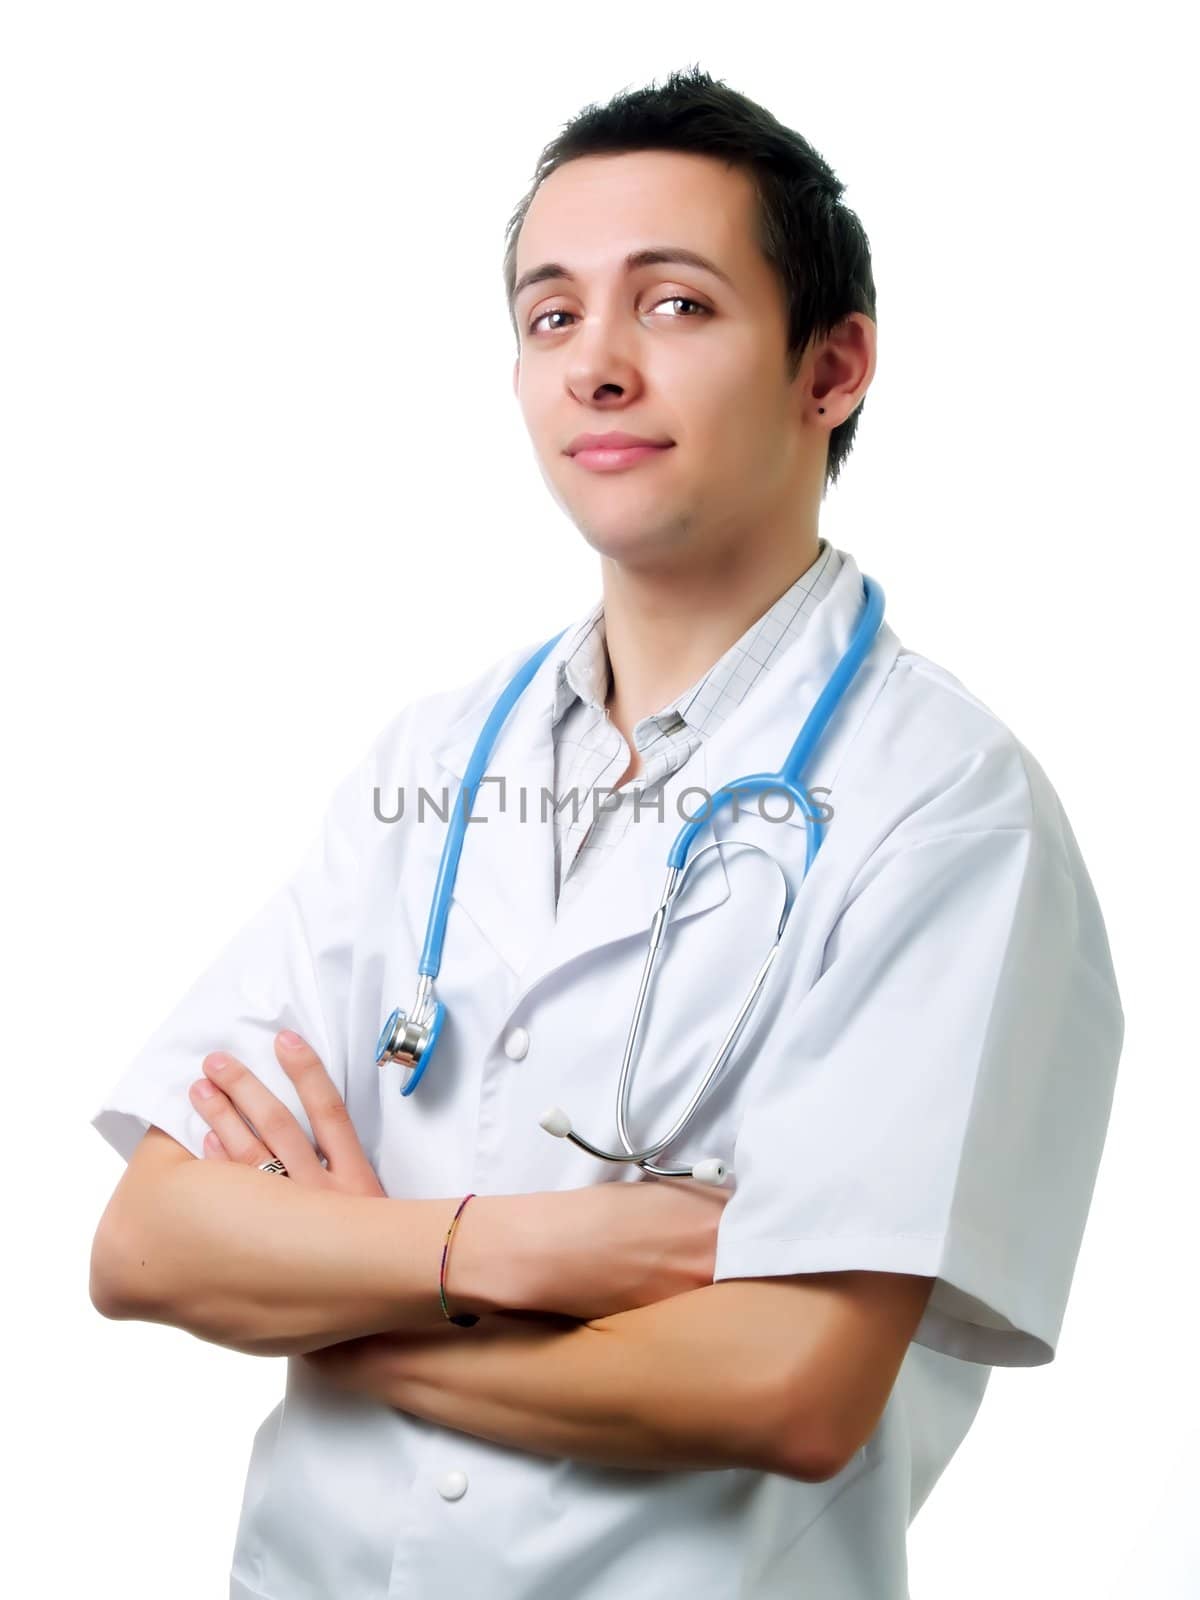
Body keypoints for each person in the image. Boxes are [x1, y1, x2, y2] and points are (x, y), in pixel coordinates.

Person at [88, 64, 1124, 1600]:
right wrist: (531, 1253)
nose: (599, 367)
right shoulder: (433, 767)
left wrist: (349, 1306)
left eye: (678, 304)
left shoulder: (946, 806)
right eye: (552, 313)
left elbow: (791, 1385)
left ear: (833, 368)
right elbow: (149, 1245)